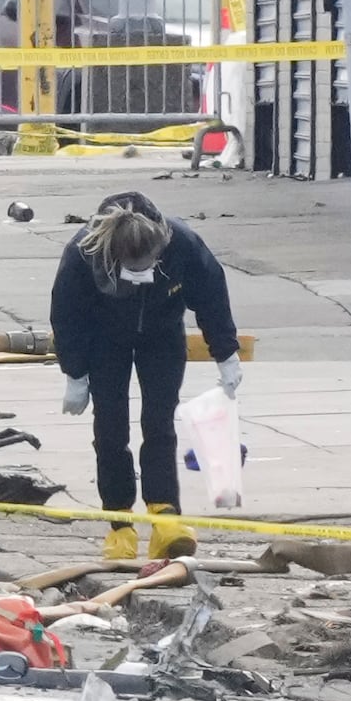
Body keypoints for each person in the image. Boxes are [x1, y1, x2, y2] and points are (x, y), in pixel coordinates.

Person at [50, 192, 242, 559]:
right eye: (130, 268)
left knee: (159, 423)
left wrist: (226, 353)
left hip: (161, 335)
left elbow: (212, 297)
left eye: (147, 266)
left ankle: (165, 515)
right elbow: (66, 313)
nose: (139, 276)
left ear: (161, 248)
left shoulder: (183, 244)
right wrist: (75, 374)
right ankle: (119, 523)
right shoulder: (82, 252)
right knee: (110, 429)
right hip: (104, 338)